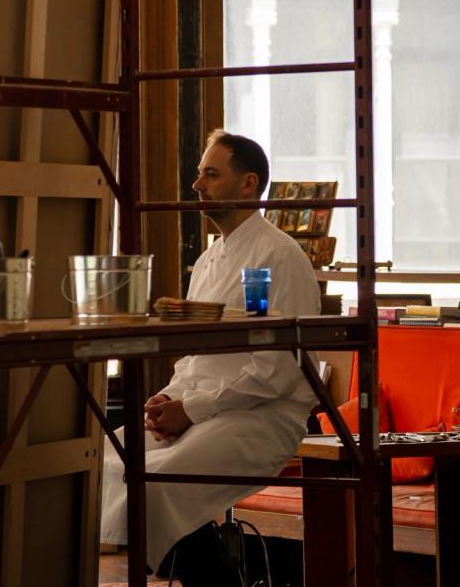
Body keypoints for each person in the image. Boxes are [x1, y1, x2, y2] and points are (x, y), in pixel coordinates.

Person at [99, 130, 322, 584]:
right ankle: (213, 573)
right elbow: (197, 355)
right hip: (200, 409)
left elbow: (276, 370)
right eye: (199, 175)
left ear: (247, 184)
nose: (197, 186)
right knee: (104, 461)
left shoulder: (279, 255)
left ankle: (215, 580)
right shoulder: (207, 259)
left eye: (210, 174)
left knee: (157, 487)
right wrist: (166, 398)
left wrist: (191, 408)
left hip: (262, 415)